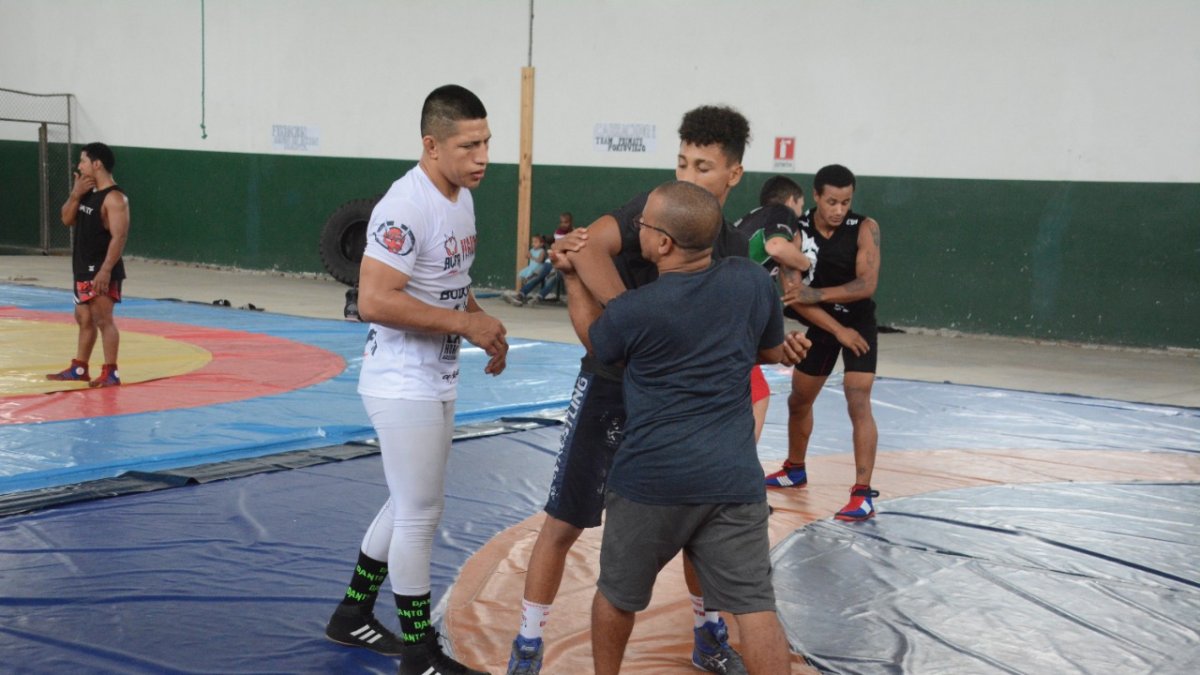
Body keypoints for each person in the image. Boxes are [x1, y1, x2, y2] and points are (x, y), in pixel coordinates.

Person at [506, 105, 757, 675]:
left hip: (674, 403)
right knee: (565, 519)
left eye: (703, 167)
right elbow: (583, 247)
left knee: (699, 523)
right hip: (612, 387)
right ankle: (527, 641)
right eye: (682, 163)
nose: (688, 176)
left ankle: (707, 631)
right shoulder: (652, 209)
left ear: (733, 175)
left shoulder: (734, 249)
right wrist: (636, 318)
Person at [570, 180, 807, 675]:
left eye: (644, 225)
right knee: (755, 607)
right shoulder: (750, 281)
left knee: (616, 596)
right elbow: (768, 350)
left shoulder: (636, 309)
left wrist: (572, 277)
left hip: (651, 483)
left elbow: (598, 344)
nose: (637, 230)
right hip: (733, 480)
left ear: (662, 243)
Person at [323, 84, 508, 675]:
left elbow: (451, 280)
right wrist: (466, 323)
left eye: (486, 142)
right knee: (420, 514)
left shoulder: (460, 197)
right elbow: (375, 300)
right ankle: (419, 656)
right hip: (402, 380)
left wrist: (478, 321)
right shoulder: (405, 206)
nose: (483, 157)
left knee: (410, 503)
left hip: (436, 373)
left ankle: (352, 613)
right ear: (432, 145)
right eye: (469, 146)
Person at [769, 164, 883, 522]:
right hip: (823, 324)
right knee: (799, 400)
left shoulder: (865, 227)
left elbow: (866, 285)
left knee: (858, 398)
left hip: (858, 322)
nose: (839, 210)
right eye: (831, 202)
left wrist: (817, 294)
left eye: (846, 202)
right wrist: (836, 330)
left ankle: (862, 493)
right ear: (816, 196)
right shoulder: (796, 231)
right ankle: (794, 469)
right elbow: (794, 295)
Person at [732, 175, 814, 439]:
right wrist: (807, 263)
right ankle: (742, 458)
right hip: (732, 310)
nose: (800, 214)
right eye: (801, 206)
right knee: (758, 395)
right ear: (791, 201)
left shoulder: (751, 218)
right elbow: (777, 246)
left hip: (727, 306)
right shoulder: (783, 213)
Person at [46, 142, 130, 388]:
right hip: (82, 266)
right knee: (83, 318)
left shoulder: (115, 198)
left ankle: (111, 373)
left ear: (97, 164)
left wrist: (105, 271)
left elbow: (119, 237)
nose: (79, 165)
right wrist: (75, 194)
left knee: (103, 319)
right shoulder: (86, 192)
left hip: (101, 269)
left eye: (83, 161)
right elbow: (66, 219)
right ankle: (79, 368)